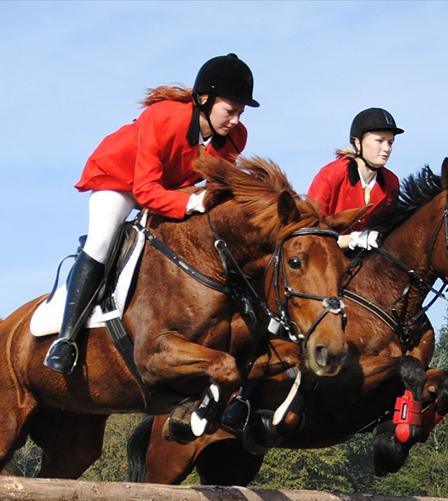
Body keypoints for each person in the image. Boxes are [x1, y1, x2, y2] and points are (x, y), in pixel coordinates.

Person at [43, 53, 259, 374]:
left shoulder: (234, 138)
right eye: (230, 111)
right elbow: (144, 190)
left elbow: (217, 187)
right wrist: (191, 204)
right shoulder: (163, 117)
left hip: (169, 186)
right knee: (102, 242)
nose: (236, 121)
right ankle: (66, 339)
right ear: (204, 99)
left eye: (241, 112)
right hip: (119, 178)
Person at [307, 107, 403, 250]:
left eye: (390, 142)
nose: (387, 148)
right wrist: (351, 240)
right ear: (358, 143)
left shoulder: (391, 182)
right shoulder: (331, 174)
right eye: (379, 140)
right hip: (323, 258)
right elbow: (310, 230)